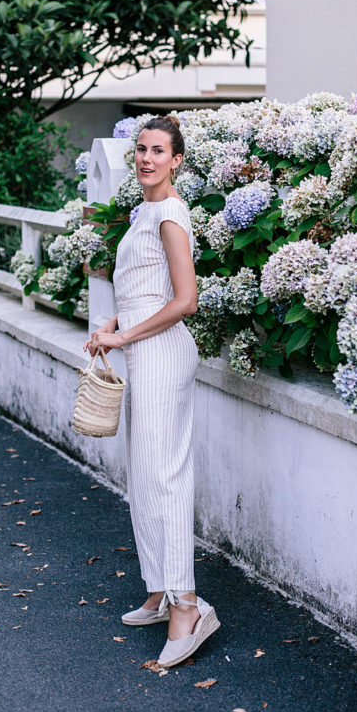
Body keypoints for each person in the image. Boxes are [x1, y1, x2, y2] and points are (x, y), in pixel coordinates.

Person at [83, 115, 220, 669]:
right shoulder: (142, 212)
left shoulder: (169, 214)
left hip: (162, 354)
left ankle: (188, 604)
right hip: (142, 348)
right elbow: (144, 288)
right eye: (140, 149)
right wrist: (112, 327)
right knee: (143, 476)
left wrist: (125, 334)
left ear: (177, 160)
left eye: (157, 151)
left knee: (164, 476)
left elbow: (185, 299)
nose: (145, 158)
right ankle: (160, 590)